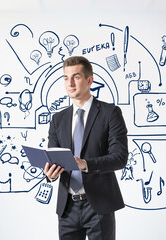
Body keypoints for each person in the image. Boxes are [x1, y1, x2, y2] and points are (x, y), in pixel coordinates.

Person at [44, 56, 128, 240]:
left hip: (98, 204)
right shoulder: (58, 119)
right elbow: (54, 157)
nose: (70, 83)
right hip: (67, 208)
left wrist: (85, 164)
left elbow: (120, 157)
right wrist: (50, 174)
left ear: (89, 80)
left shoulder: (110, 113)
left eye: (76, 77)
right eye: (66, 78)